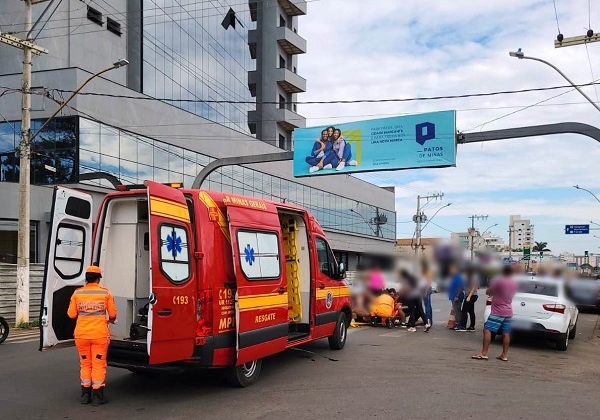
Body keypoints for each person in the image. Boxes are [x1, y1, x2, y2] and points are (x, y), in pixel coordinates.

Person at [68, 265, 117, 406]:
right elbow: (113, 314)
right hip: (100, 335)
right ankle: (97, 397)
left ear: (86, 278)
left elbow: (71, 314)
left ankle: (85, 395)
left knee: (85, 364)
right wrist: (110, 319)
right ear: (98, 278)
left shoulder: (77, 293)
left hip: (81, 335)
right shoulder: (105, 293)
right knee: (98, 365)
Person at [472, 264, 518, 361]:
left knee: (487, 330)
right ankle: (504, 355)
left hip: (498, 311)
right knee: (506, 333)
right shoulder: (514, 283)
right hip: (508, 311)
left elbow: (488, 291)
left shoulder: (500, 281)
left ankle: (484, 353)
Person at [447, 263, 466, 331]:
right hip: (453, 296)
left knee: (457, 311)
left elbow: (460, 287)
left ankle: (459, 325)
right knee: (456, 311)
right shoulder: (454, 276)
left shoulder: (458, 277)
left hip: (456, 297)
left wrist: (457, 296)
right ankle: (457, 324)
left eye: (452, 269)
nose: (451, 271)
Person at [461, 266, 479, 332]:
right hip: (470, 295)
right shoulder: (468, 277)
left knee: (464, 311)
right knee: (471, 311)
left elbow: (474, 287)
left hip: (471, 296)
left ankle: (463, 326)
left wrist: (469, 296)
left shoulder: (473, 277)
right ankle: (472, 326)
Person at [421, 260, 434, 328]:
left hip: (426, 288)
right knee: (428, 305)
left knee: (427, 305)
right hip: (425, 288)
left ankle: (428, 320)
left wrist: (425, 291)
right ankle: (430, 320)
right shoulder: (424, 272)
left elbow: (428, 282)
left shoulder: (427, 272)